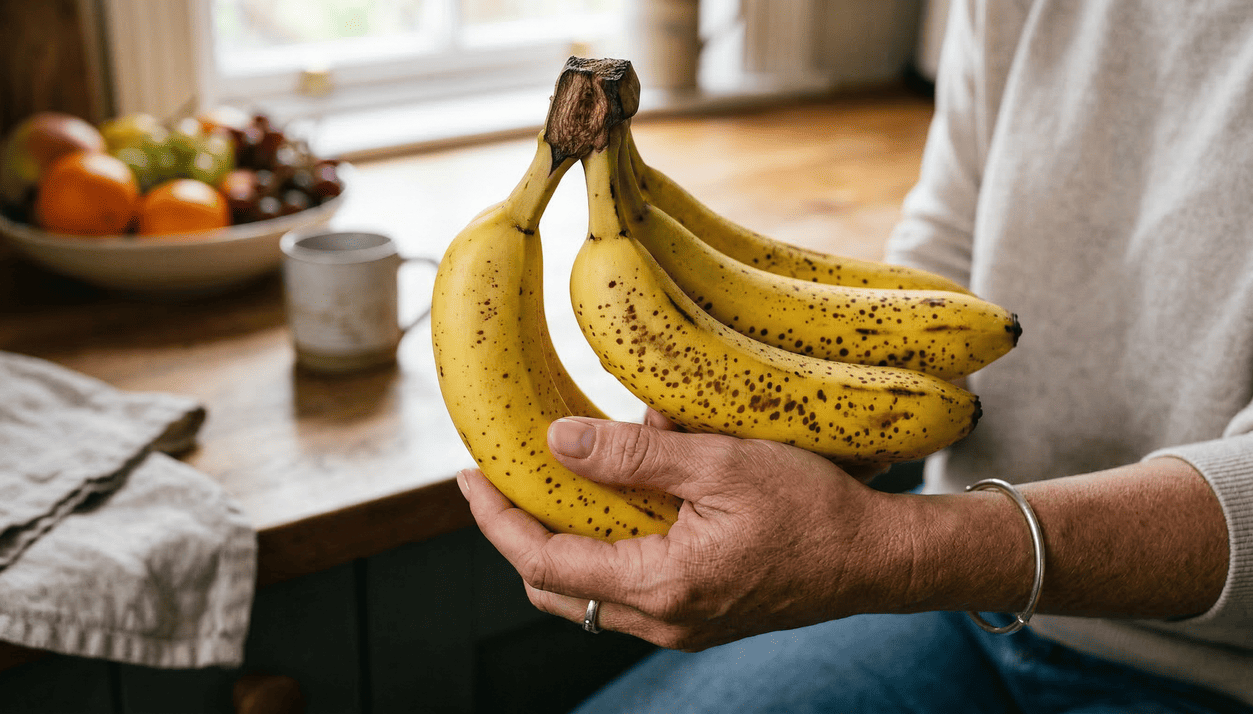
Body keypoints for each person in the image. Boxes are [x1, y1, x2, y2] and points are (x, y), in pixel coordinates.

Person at [457, 0, 1253, 710]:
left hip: (1200, 668)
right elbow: (944, 264)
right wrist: (801, 419)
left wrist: (888, 555)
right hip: (960, 611)